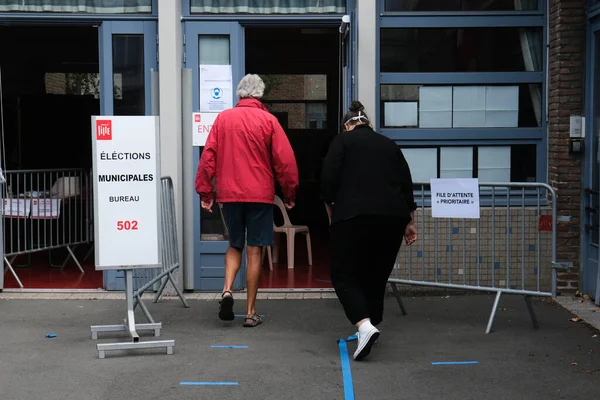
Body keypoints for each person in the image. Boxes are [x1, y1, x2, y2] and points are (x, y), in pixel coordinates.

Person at [195, 74, 299, 328]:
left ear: (240, 94)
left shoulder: (223, 119)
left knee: (234, 245)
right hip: (260, 196)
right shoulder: (269, 121)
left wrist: (205, 192)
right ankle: (251, 312)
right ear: (260, 94)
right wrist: (289, 194)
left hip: (230, 195)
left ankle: (228, 290)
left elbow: (208, 157)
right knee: (255, 251)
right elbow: (284, 162)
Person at [321, 100, 417, 360]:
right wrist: (409, 222)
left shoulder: (342, 142)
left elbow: (328, 179)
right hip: (392, 218)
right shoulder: (389, 145)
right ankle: (371, 324)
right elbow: (405, 184)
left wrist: (330, 207)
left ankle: (364, 326)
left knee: (343, 274)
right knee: (376, 274)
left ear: (347, 124)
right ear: (369, 123)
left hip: (353, 215)